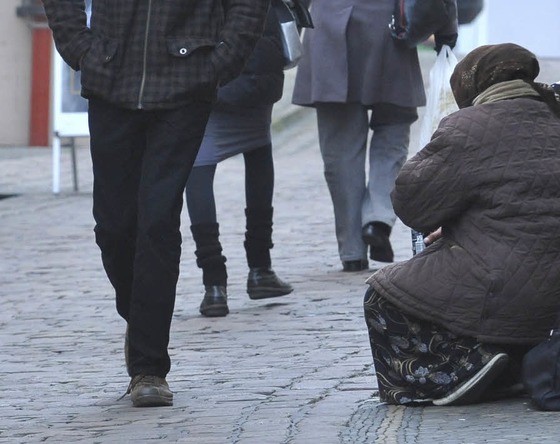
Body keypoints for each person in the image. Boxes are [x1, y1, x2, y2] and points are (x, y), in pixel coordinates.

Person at [42, 0, 269, 407]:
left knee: (158, 221)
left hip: (185, 81)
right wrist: (81, 49)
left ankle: (149, 367)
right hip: (112, 77)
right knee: (113, 227)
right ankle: (141, 318)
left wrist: (219, 61)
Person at [363, 43, 560, 406]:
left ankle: (457, 372)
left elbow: (412, 206)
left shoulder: (466, 126)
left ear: (472, 88)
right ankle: (510, 363)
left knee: (384, 295)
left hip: (499, 282)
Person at [291, 0, 458, 272]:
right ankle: (378, 217)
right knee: (392, 133)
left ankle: (352, 250)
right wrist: (446, 27)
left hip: (330, 27)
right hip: (388, 29)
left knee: (341, 148)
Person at [186, 0, 295, 318]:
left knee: (200, 166)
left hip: (202, 50)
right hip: (256, 47)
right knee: (259, 150)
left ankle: (214, 283)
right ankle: (260, 269)